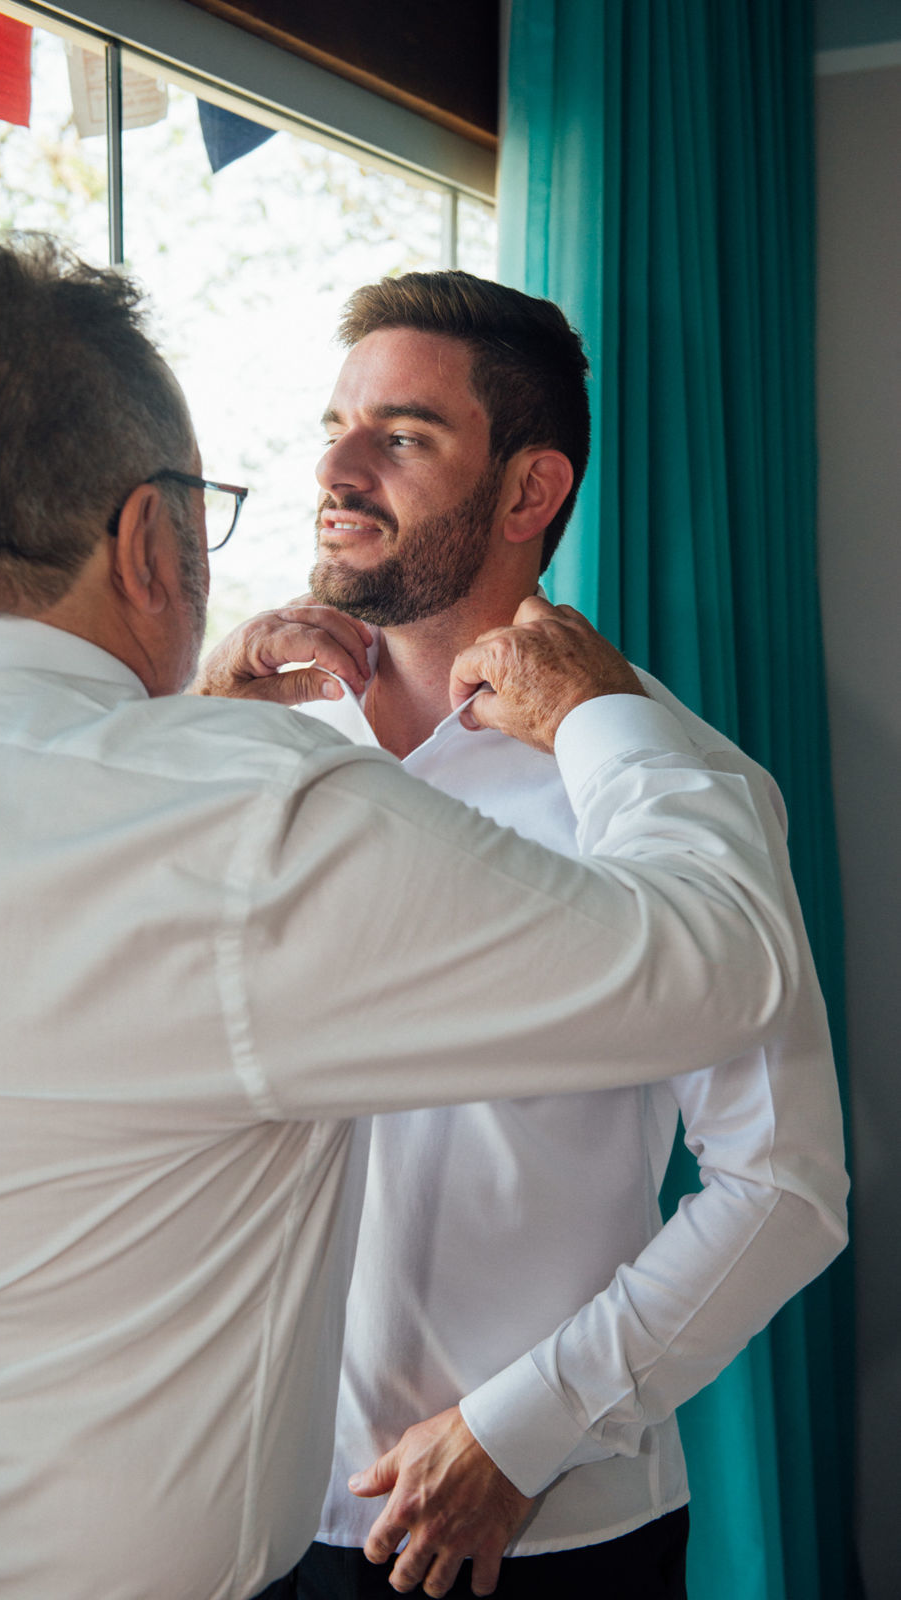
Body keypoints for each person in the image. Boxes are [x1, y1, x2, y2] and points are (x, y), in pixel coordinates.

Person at [194, 271, 849, 1600]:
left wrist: (519, 1432)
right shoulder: (245, 739)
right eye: (334, 427)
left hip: (533, 1539)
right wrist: (188, 748)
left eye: (402, 436)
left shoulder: (677, 787)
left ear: (529, 492)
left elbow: (785, 1185)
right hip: (232, 1513)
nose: (336, 470)